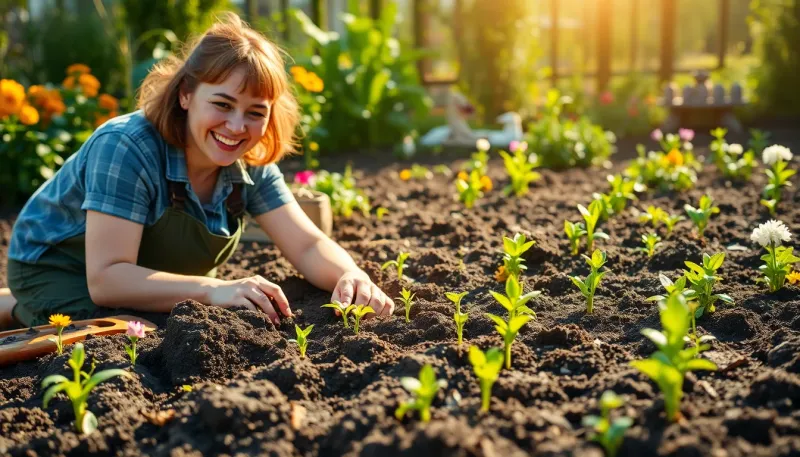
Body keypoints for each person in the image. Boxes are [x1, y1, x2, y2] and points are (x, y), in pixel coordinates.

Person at [0, 13, 394, 330]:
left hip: (139, 275)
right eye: (222, 104)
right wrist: (213, 290)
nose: (237, 127)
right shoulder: (126, 147)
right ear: (186, 93)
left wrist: (351, 274)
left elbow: (307, 245)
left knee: (183, 319)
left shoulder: (250, 163)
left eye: (255, 112)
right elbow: (105, 278)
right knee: (140, 332)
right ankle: (26, 303)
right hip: (57, 266)